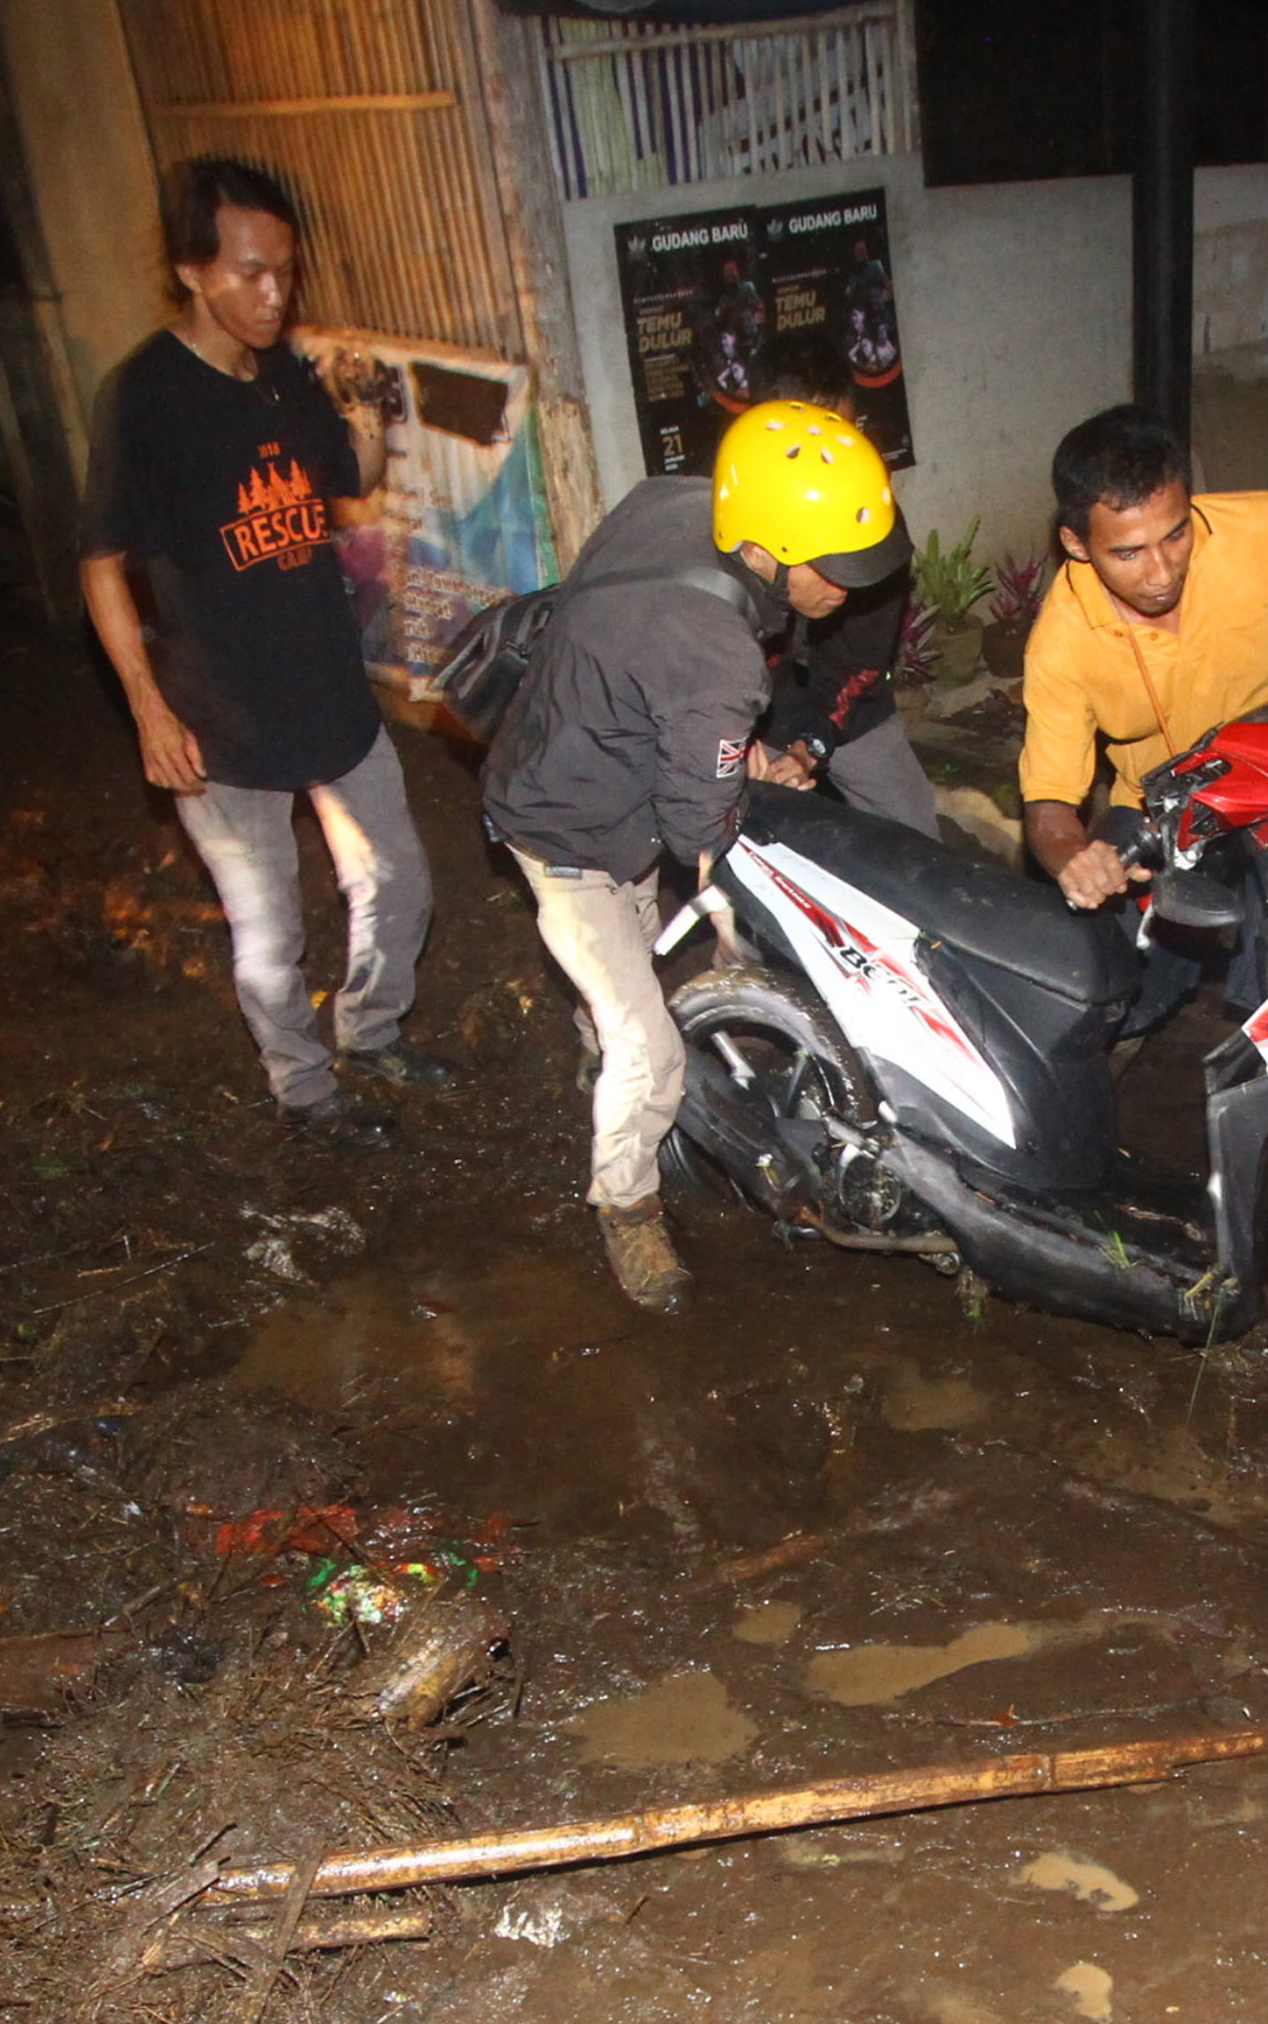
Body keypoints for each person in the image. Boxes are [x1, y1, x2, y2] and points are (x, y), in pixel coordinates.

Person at [483, 401, 906, 1310]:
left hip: (575, 745)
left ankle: (600, 1046)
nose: (850, 593)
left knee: (631, 964)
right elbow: (694, 828)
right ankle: (625, 1205)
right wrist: (727, 900)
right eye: (836, 572)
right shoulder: (718, 654)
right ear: (771, 550)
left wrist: (717, 749)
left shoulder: (679, 501)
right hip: (567, 829)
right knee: (651, 1043)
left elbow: (660, 691)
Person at [81, 157, 438, 1140]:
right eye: (248, 272)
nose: (273, 294)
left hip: (326, 687)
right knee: (270, 930)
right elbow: (101, 562)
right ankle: (306, 1089)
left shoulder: (283, 372)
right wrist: (149, 710)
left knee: (398, 877)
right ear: (191, 271)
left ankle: (372, 1030)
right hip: (220, 718)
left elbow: (345, 477)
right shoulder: (144, 397)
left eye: (285, 270)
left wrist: (368, 414)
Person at [1019, 404, 1268, 919]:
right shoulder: (1061, 644)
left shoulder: (1262, 527)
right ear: (1076, 543)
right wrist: (1074, 860)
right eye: (1129, 554)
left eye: (1176, 535)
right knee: (1118, 962)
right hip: (1166, 805)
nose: (1162, 572)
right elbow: (1048, 806)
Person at [742, 338, 939, 839]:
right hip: (751, 706)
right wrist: (736, 741)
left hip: (846, 700)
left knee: (919, 841)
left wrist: (812, 746)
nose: (842, 458)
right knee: (755, 847)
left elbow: (861, 660)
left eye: (847, 434)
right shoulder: (727, 512)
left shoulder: (873, 520)